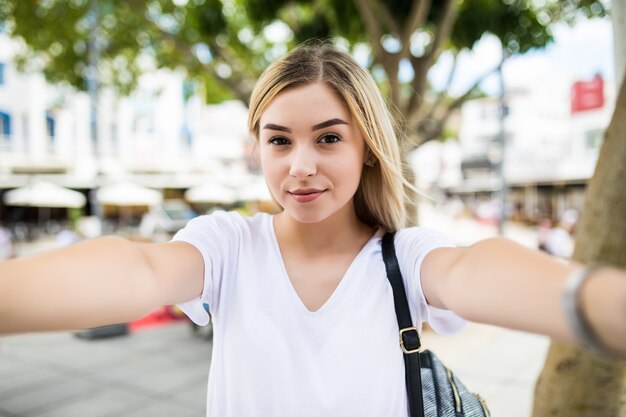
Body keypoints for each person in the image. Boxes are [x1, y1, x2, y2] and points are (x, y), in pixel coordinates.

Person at [0, 42, 625, 416]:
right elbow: (140, 268)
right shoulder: (229, 246)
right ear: (260, 149)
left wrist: (594, 301)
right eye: (279, 140)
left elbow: (474, 270)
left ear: (368, 150)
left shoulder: (403, 259)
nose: (301, 166)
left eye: (328, 138)